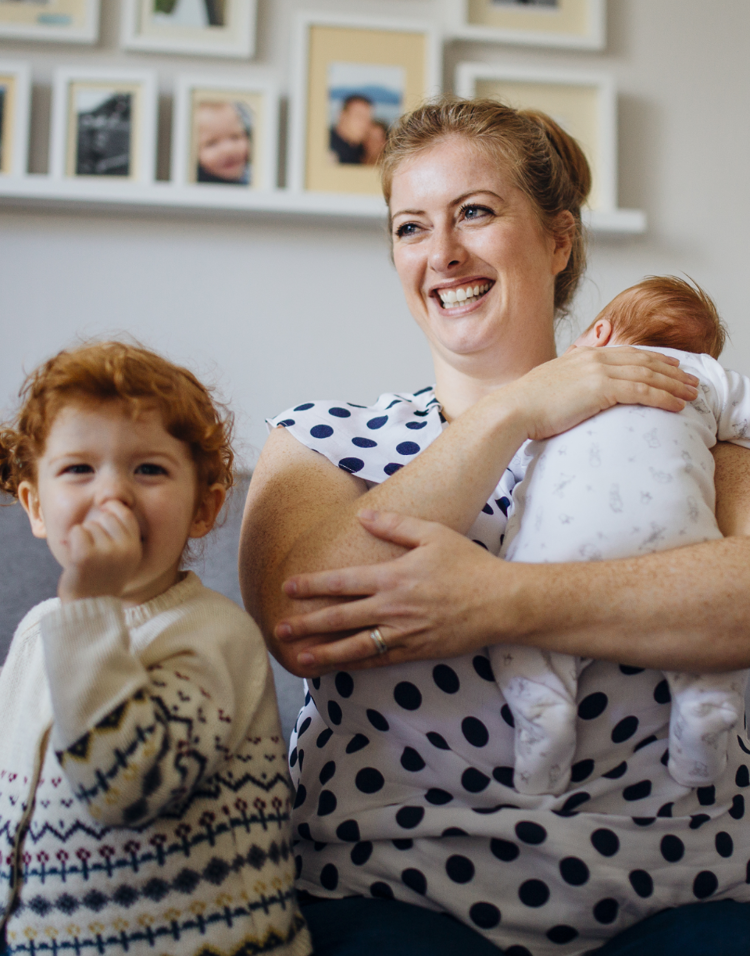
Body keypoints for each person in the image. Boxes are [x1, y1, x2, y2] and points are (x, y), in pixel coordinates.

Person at [239, 98, 750, 956]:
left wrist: (499, 602)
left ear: (558, 240)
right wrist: (514, 408)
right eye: (411, 227)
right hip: (395, 891)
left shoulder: (675, 404)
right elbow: (305, 622)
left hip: (682, 888)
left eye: (475, 212)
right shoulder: (322, 437)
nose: (442, 254)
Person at [0, 342, 311, 956]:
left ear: (205, 508)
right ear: (35, 506)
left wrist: (89, 604)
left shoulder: (213, 635)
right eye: (78, 470)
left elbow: (128, 783)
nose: (113, 495)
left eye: (148, 470)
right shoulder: (40, 633)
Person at [491, 275, 750, 798]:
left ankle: (545, 713)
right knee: (704, 628)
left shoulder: (552, 385)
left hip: (555, 552)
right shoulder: (705, 376)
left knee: (520, 636)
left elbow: (510, 462)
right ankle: (705, 704)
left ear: (599, 333)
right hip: (677, 549)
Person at [195, 99, 252, 185]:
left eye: (235, 137)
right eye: (211, 143)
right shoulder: (194, 185)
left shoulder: (256, 177)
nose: (228, 149)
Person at [329, 95, 373, 165]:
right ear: (342, 116)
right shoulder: (328, 148)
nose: (365, 123)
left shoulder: (362, 151)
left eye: (368, 118)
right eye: (359, 116)